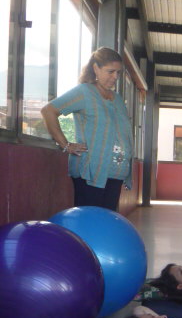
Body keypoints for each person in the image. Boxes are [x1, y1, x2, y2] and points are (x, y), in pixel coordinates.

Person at [41, 47, 133, 211]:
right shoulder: (84, 92)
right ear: (96, 68)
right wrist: (66, 144)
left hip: (115, 173)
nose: (115, 77)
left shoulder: (118, 100)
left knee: (106, 222)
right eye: (110, 71)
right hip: (91, 172)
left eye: (118, 73)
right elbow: (49, 111)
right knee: (89, 221)